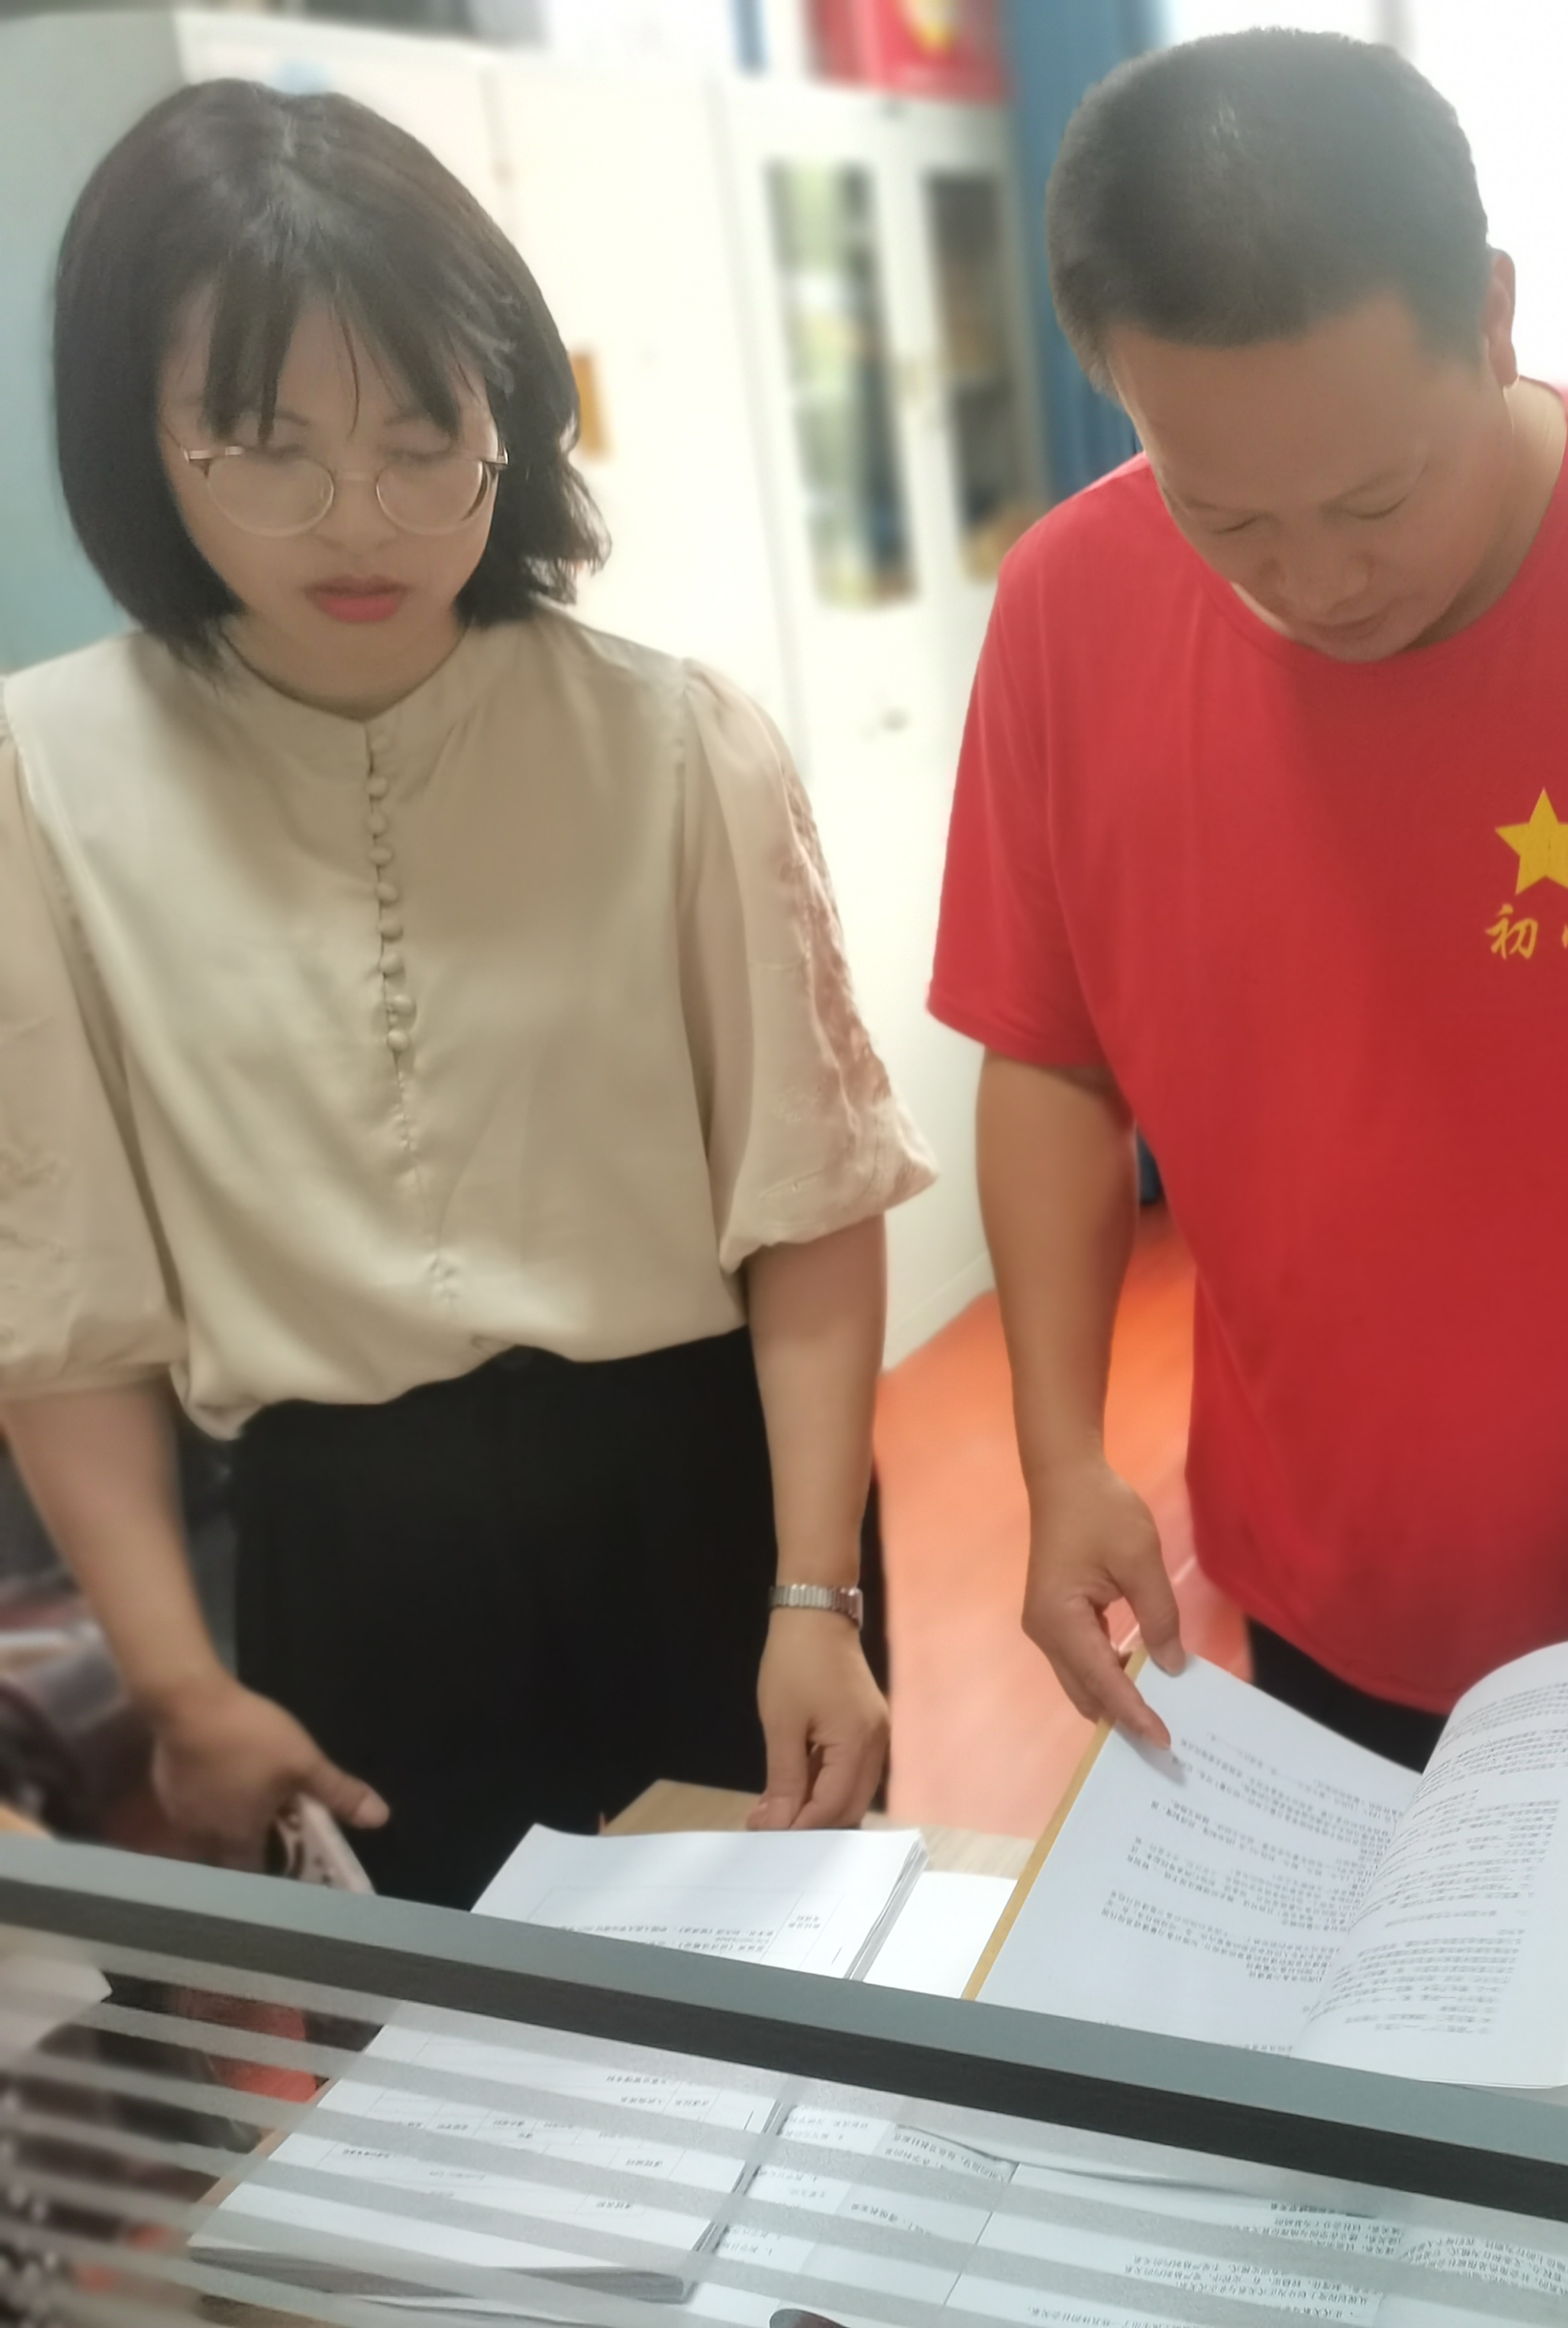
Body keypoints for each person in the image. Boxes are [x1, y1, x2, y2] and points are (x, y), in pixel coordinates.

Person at [930, 30, 1568, 1910]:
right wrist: (1060, 1456)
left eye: (1376, 498)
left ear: (1491, 314)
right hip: (1315, 1583)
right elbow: (1051, 1056)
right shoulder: (1067, 613)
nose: (1316, 581)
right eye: (1225, 515)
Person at [0, 84, 932, 1906]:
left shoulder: (673, 742)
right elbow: (64, 1293)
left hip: (707, 1507)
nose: (362, 519)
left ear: (510, 415)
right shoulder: (45, 784)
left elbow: (811, 1202)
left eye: (427, 439)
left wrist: (815, 1596)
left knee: (781, 2002)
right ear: (138, 430)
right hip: (346, 1553)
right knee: (441, 2053)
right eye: (264, 447)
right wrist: (179, 1684)